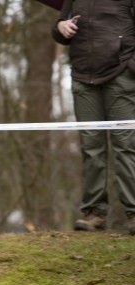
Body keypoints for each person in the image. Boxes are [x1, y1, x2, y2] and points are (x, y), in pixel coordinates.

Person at [53, 1, 135, 235]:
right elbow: (59, 29)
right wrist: (61, 27)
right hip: (83, 78)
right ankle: (94, 214)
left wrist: (131, 67)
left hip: (121, 76)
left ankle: (134, 213)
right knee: (91, 146)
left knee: (126, 144)